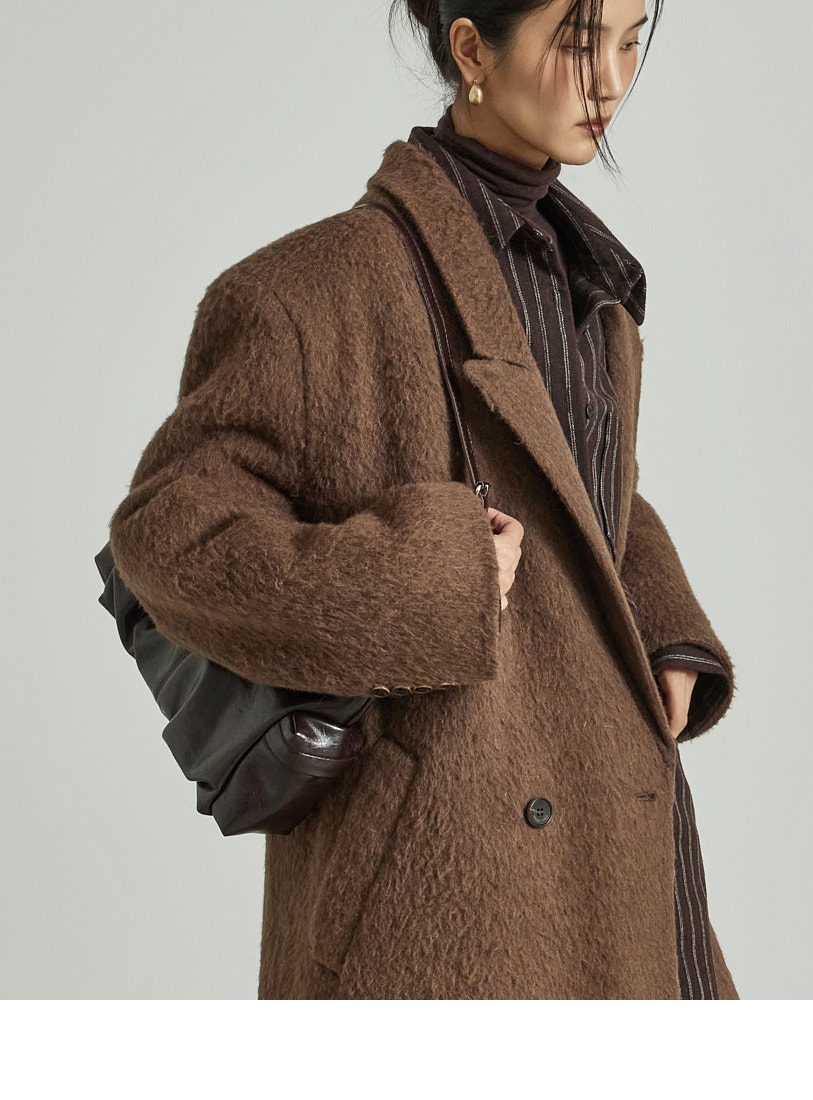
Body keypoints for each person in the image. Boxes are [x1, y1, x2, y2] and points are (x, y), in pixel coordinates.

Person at [107, 0, 740, 999]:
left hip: (612, 833)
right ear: (472, 48)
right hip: (437, 891)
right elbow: (170, 536)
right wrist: (429, 576)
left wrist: (663, 625)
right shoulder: (315, 290)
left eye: (631, 41)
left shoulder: (591, 282)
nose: (613, 80)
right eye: (580, 41)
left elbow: (583, 490)